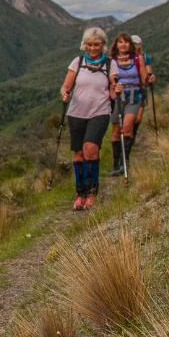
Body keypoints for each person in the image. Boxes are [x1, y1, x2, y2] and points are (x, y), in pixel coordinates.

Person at [59, 27, 113, 210]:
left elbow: (113, 89)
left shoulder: (109, 64)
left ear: (103, 45)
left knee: (90, 149)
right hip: (76, 113)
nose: (92, 48)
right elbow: (65, 86)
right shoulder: (78, 61)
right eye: (89, 44)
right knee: (79, 154)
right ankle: (80, 192)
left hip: (100, 111)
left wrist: (117, 90)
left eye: (96, 44)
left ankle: (91, 192)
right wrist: (65, 94)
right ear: (85, 44)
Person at [109, 32, 150, 176]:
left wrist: (149, 78)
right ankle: (116, 162)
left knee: (127, 127)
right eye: (120, 42)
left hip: (134, 96)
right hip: (118, 97)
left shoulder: (138, 59)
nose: (123, 44)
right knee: (115, 132)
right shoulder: (112, 61)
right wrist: (114, 89)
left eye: (126, 42)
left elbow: (144, 78)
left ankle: (124, 161)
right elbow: (110, 80)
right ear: (116, 45)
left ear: (130, 45)